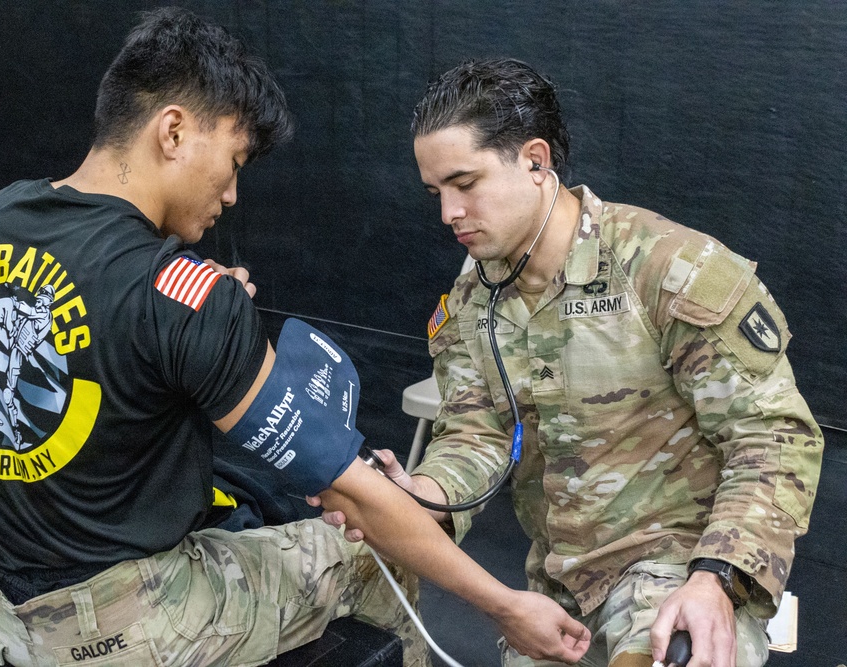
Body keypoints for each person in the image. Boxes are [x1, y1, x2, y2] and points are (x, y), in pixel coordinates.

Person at [0, 12, 592, 667]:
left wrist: (196, 311)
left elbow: (93, 333)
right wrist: (504, 605)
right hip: (114, 628)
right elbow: (349, 492)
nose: (231, 193)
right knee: (371, 555)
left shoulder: (2, 216)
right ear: (172, 131)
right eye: (232, 162)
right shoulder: (185, 296)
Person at [324, 59, 824, 667]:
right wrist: (422, 494)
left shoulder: (668, 269)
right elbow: (477, 436)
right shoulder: (472, 299)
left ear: (535, 161)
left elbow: (772, 435)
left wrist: (718, 577)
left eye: (465, 183)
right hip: (558, 590)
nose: (447, 213)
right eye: (436, 193)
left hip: (678, 568)